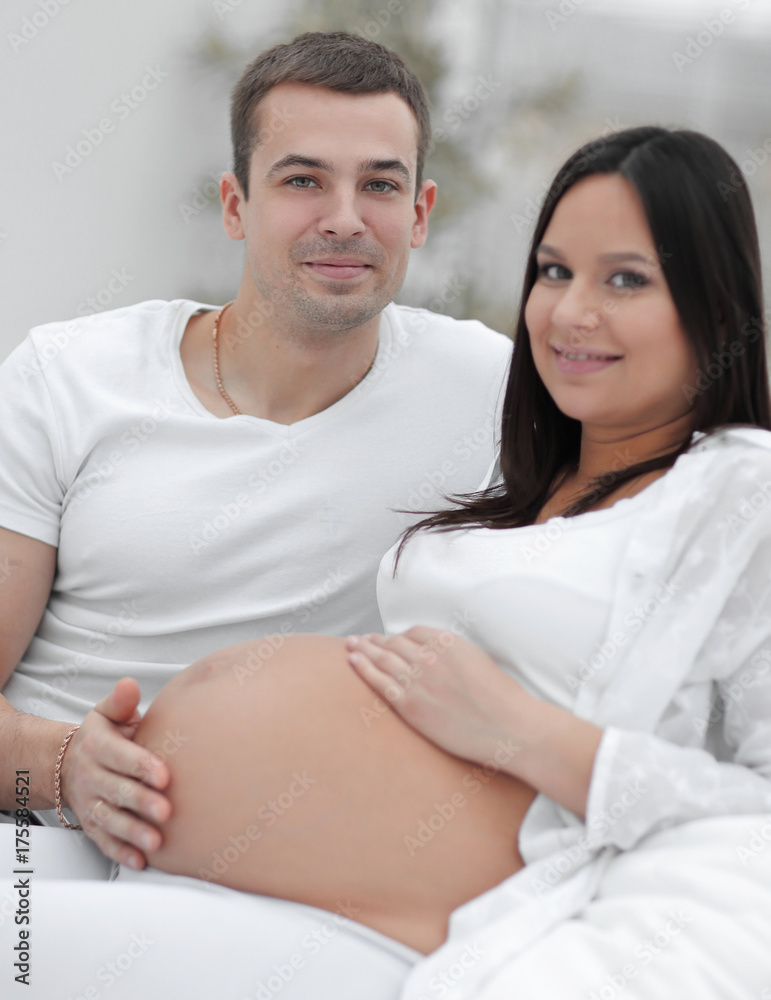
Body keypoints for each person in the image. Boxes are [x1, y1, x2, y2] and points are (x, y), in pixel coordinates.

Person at [126, 125, 771, 997]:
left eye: (626, 279)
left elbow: (754, 807)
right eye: (553, 271)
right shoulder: (510, 485)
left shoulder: (739, 494)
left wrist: (518, 729)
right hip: (264, 878)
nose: (572, 311)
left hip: (487, 919)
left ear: (716, 309)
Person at [0, 31, 512, 866]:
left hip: (285, 867)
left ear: (419, 215)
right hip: (36, 842)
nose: (344, 219)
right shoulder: (68, 379)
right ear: (235, 204)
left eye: (378, 184)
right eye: (303, 179)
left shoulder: (489, 392)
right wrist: (64, 771)